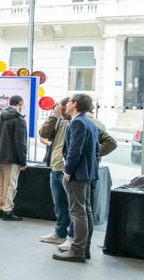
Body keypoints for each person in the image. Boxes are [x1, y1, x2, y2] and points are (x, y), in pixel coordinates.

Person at [53, 94, 100, 263]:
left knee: (78, 212)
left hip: (77, 174)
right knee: (85, 211)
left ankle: (78, 250)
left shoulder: (78, 122)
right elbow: (96, 151)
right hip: (87, 173)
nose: (67, 104)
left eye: (70, 101)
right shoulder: (89, 122)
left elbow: (74, 150)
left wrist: (68, 171)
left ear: (75, 104)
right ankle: (83, 248)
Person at [0, 95, 28, 222]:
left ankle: (1, 208)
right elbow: (21, 142)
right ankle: (8, 209)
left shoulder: (2, 116)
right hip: (12, 156)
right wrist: (23, 161)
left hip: (0, 155)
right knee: (11, 184)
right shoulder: (19, 119)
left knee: (2, 183)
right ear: (20, 104)